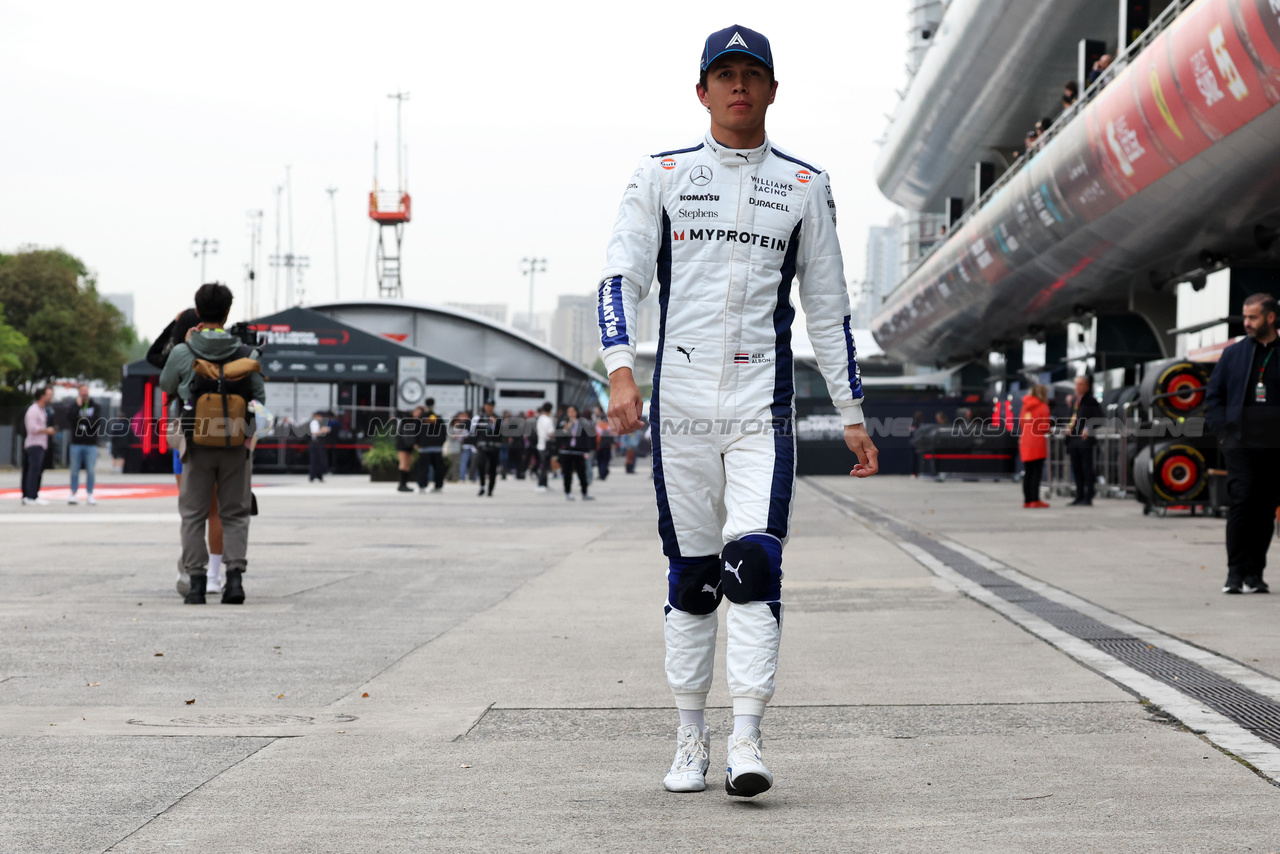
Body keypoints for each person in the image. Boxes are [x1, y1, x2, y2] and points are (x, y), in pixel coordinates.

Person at [600, 25, 877, 798]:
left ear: (773, 90)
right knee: (692, 577)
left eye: (752, 74)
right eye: (724, 75)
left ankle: (747, 738)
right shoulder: (659, 175)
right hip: (680, 405)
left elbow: (830, 309)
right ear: (702, 91)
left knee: (753, 564)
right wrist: (621, 373)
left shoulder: (804, 185)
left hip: (763, 404)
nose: (738, 87)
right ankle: (690, 736)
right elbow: (620, 279)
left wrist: (850, 410)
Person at [160, 283, 264, 605]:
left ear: (198, 310)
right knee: (234, 513)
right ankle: (233, 581)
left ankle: (196, 585)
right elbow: (259, 399)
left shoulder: (183, 352)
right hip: (235, 443)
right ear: (228, 312)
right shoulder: (246, 353)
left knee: (193, 514)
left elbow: (167, 384)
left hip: (196, 444)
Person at [1205, 293, 1280, 594]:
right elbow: (1214, 395)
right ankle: (1234, 573)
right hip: (1240, 444)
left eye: (1253, 317)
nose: (1246, 323)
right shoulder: (1233, 354)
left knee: (1265, 508)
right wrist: (1223, 432)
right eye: (1245, 317)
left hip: (1275, 447)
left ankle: (1255, 574)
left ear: (1271, 318)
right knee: (1243, 500)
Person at [1067, 375, 1103, 506]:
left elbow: (1100, 418)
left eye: (1081, 384)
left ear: (1087, 386)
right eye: (1077, 384)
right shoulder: (1075, 401)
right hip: (1073, 439)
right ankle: (1079, 495)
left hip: (1085, 440)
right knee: (1076, 468)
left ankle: (1088, 497)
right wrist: (1069, 427)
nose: (1079, 387)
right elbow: (1073, 417)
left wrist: (1088, 428)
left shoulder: (1091, 401)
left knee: (1087, 468)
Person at [66, 384, 105, 505]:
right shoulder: (74, 406)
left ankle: (90, 494)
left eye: (85, 391)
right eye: (81, 391)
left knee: (91, 470)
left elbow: (95, 423)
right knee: (74, 469)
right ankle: (73, 493)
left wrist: (81, 420)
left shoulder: (95, 406)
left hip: (91, 443)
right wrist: (77, 408)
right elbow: (70, 419)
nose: (84, 393)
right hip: (76, 442)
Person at [21, 385, 56, 506]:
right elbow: (32, 428)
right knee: (33, 471)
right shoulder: (34, 410)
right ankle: (29, 496)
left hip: (41, 444)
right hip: (34, 444)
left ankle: (34, 495)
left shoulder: (43, 410)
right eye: (48, 395)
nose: (50, 397)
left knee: (38, 471)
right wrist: (46, 430)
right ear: (42, 396)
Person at [1019, 384, 1052, 508]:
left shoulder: (1025, 407)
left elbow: (1022, 423)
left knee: (1028, 472)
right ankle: (1035, 499)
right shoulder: (1043, 407)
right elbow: (1044, 426)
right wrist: (1050, 430)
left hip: (1025, 441)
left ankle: (1027, 500)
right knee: (1036, 472)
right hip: (1037, 442)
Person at [557, 405, 595, 501]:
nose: (571, 413)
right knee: (567, 473)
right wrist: (565, 430)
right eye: (569, 411)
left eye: (573, 411)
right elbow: (559, 437)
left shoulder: (581, 423)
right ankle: (568, 492)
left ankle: (584, 492)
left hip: (579, 451)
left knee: (582, 473)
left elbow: (586, 438)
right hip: (566, 451)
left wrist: (586, 451)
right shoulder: (563, 423)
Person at [472, 399, 503, 497]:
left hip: (494, 447)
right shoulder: (479, 418)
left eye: (491, 405)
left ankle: (490, 489)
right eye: (487, 405)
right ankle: (482, 486)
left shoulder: (498, 418)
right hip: (482, 446)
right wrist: (475, 444)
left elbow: (501, 432)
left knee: (492, 469)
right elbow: (475, 432)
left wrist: (493, 425)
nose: (489, 407)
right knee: (481, 465)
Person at [417, 398, 447, 492]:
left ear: (425, 405)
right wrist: (441, 442)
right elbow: (443, 432)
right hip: (437, 447)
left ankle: (422, 486)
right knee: (438, 467)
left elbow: (416, 431)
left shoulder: (421, 418)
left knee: (423, 467)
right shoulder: (437, 418)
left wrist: (418, 443)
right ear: (434, 405)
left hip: (424, 447)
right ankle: (438, 486)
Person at [396, 406, 424, 493]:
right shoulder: (407, 419)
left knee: (408, 464)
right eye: (417, 412)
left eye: (420, 413)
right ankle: (401, 484)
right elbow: (407, 434)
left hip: (409, 445)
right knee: (403, 463)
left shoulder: (416, 422)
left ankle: (404, 484)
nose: (418, 414)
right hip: (403, 444)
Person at [535, 402, 555, 492]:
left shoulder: (540, 418)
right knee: (545, 466)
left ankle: (544, 483)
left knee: (543, 465)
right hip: (546, 444)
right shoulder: (548, 420)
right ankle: (541, 483)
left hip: (540, 444)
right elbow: (551, 433)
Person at [308, 411, 330, 482]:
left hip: (318, 443)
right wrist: (323, 430)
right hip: (316, 443)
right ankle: (313, 475)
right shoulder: (314, 422)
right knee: (315, 460)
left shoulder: (319, 423)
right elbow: (315, 433)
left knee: (319, 460)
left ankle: (319, 475)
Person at [595, 413, 614, 481]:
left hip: (599, 446)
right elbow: (612, 436)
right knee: (605, 460)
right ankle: (604, 472)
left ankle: (601, 473)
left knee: (600, 461)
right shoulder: (609, 426)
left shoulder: (598, 426)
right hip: (607, 446)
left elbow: (596, 437)